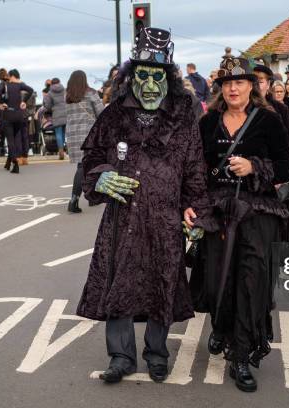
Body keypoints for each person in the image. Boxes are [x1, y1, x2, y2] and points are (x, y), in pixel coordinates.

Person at [76, 27, 211, 385]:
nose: (150, 84)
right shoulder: (114, 114)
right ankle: (120, 356)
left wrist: (195, 209)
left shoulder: (184, 116)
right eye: (142, 76)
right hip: (123, 217)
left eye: (157, 76)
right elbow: (89, 158)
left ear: (169, 79)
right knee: (118, 284)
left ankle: (156, 353)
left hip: (166, 217)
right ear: (129, 78)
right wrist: (101, 176)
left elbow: (195, 167)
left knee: (162, 283)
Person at [190, 56, 289, 393]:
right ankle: (220, 327)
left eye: (240, 82)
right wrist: (192, 204)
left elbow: (286, 165)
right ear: (221, 88)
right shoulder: (207, 123)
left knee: (250, 281)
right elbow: (194, 168)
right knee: (219, 279)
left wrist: (253, 166)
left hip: (256, 212)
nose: (233, 88)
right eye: (227, 83)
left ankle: (241, 355)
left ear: (252, 86)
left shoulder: (268, 120)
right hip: (218, 213)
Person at [64, 70, 105, 213]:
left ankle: (91, 197)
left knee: (87, 166)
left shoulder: (67, 96)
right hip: (88, 135)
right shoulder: (91, 94)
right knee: (84, 166)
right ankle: (74, 200)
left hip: (72, 136)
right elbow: (101, 114)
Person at [0, 69, 34, 174]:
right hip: (19, 116)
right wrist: (23, 101)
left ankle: (15, 163)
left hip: (8, 115)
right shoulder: (20, 85)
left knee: (11, 141)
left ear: (10, 76)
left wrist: (2, 102)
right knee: (15, 137)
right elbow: (31, 90)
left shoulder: (5, 84)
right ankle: (8, 162)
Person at [43, 78, 67, 160]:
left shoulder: (49, 93)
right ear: (59, 82)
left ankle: (60, 150)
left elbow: (47, 106)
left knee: (58, 133)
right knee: (63, 133)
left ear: (51, 84)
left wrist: (51, 110)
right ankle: (63, 148)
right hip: (66, 113)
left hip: (56, 114)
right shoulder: (65, 90)